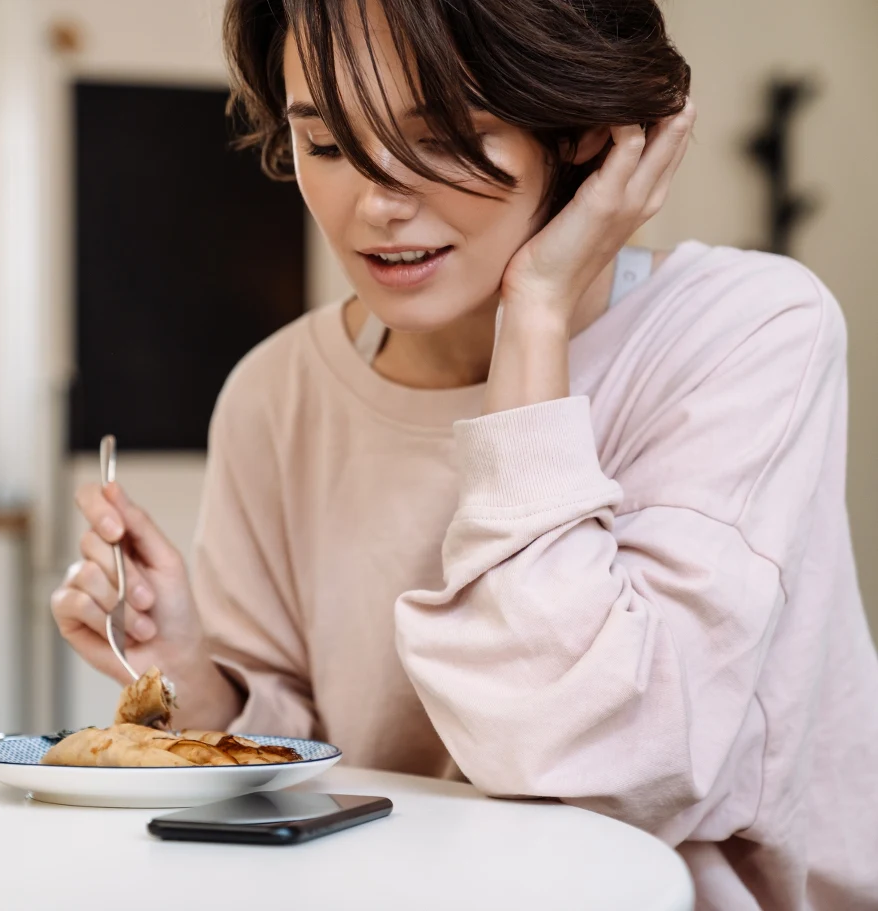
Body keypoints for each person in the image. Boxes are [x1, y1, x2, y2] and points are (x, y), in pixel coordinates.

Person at [50, 1, 878, 906]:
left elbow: (596, 765)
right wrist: (195, 679)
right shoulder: (275, 393)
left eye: (443, 138)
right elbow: (310, 771)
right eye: (326, 144)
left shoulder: (748, 329)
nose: (378, 202)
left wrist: (536, 311)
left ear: (584, 135)